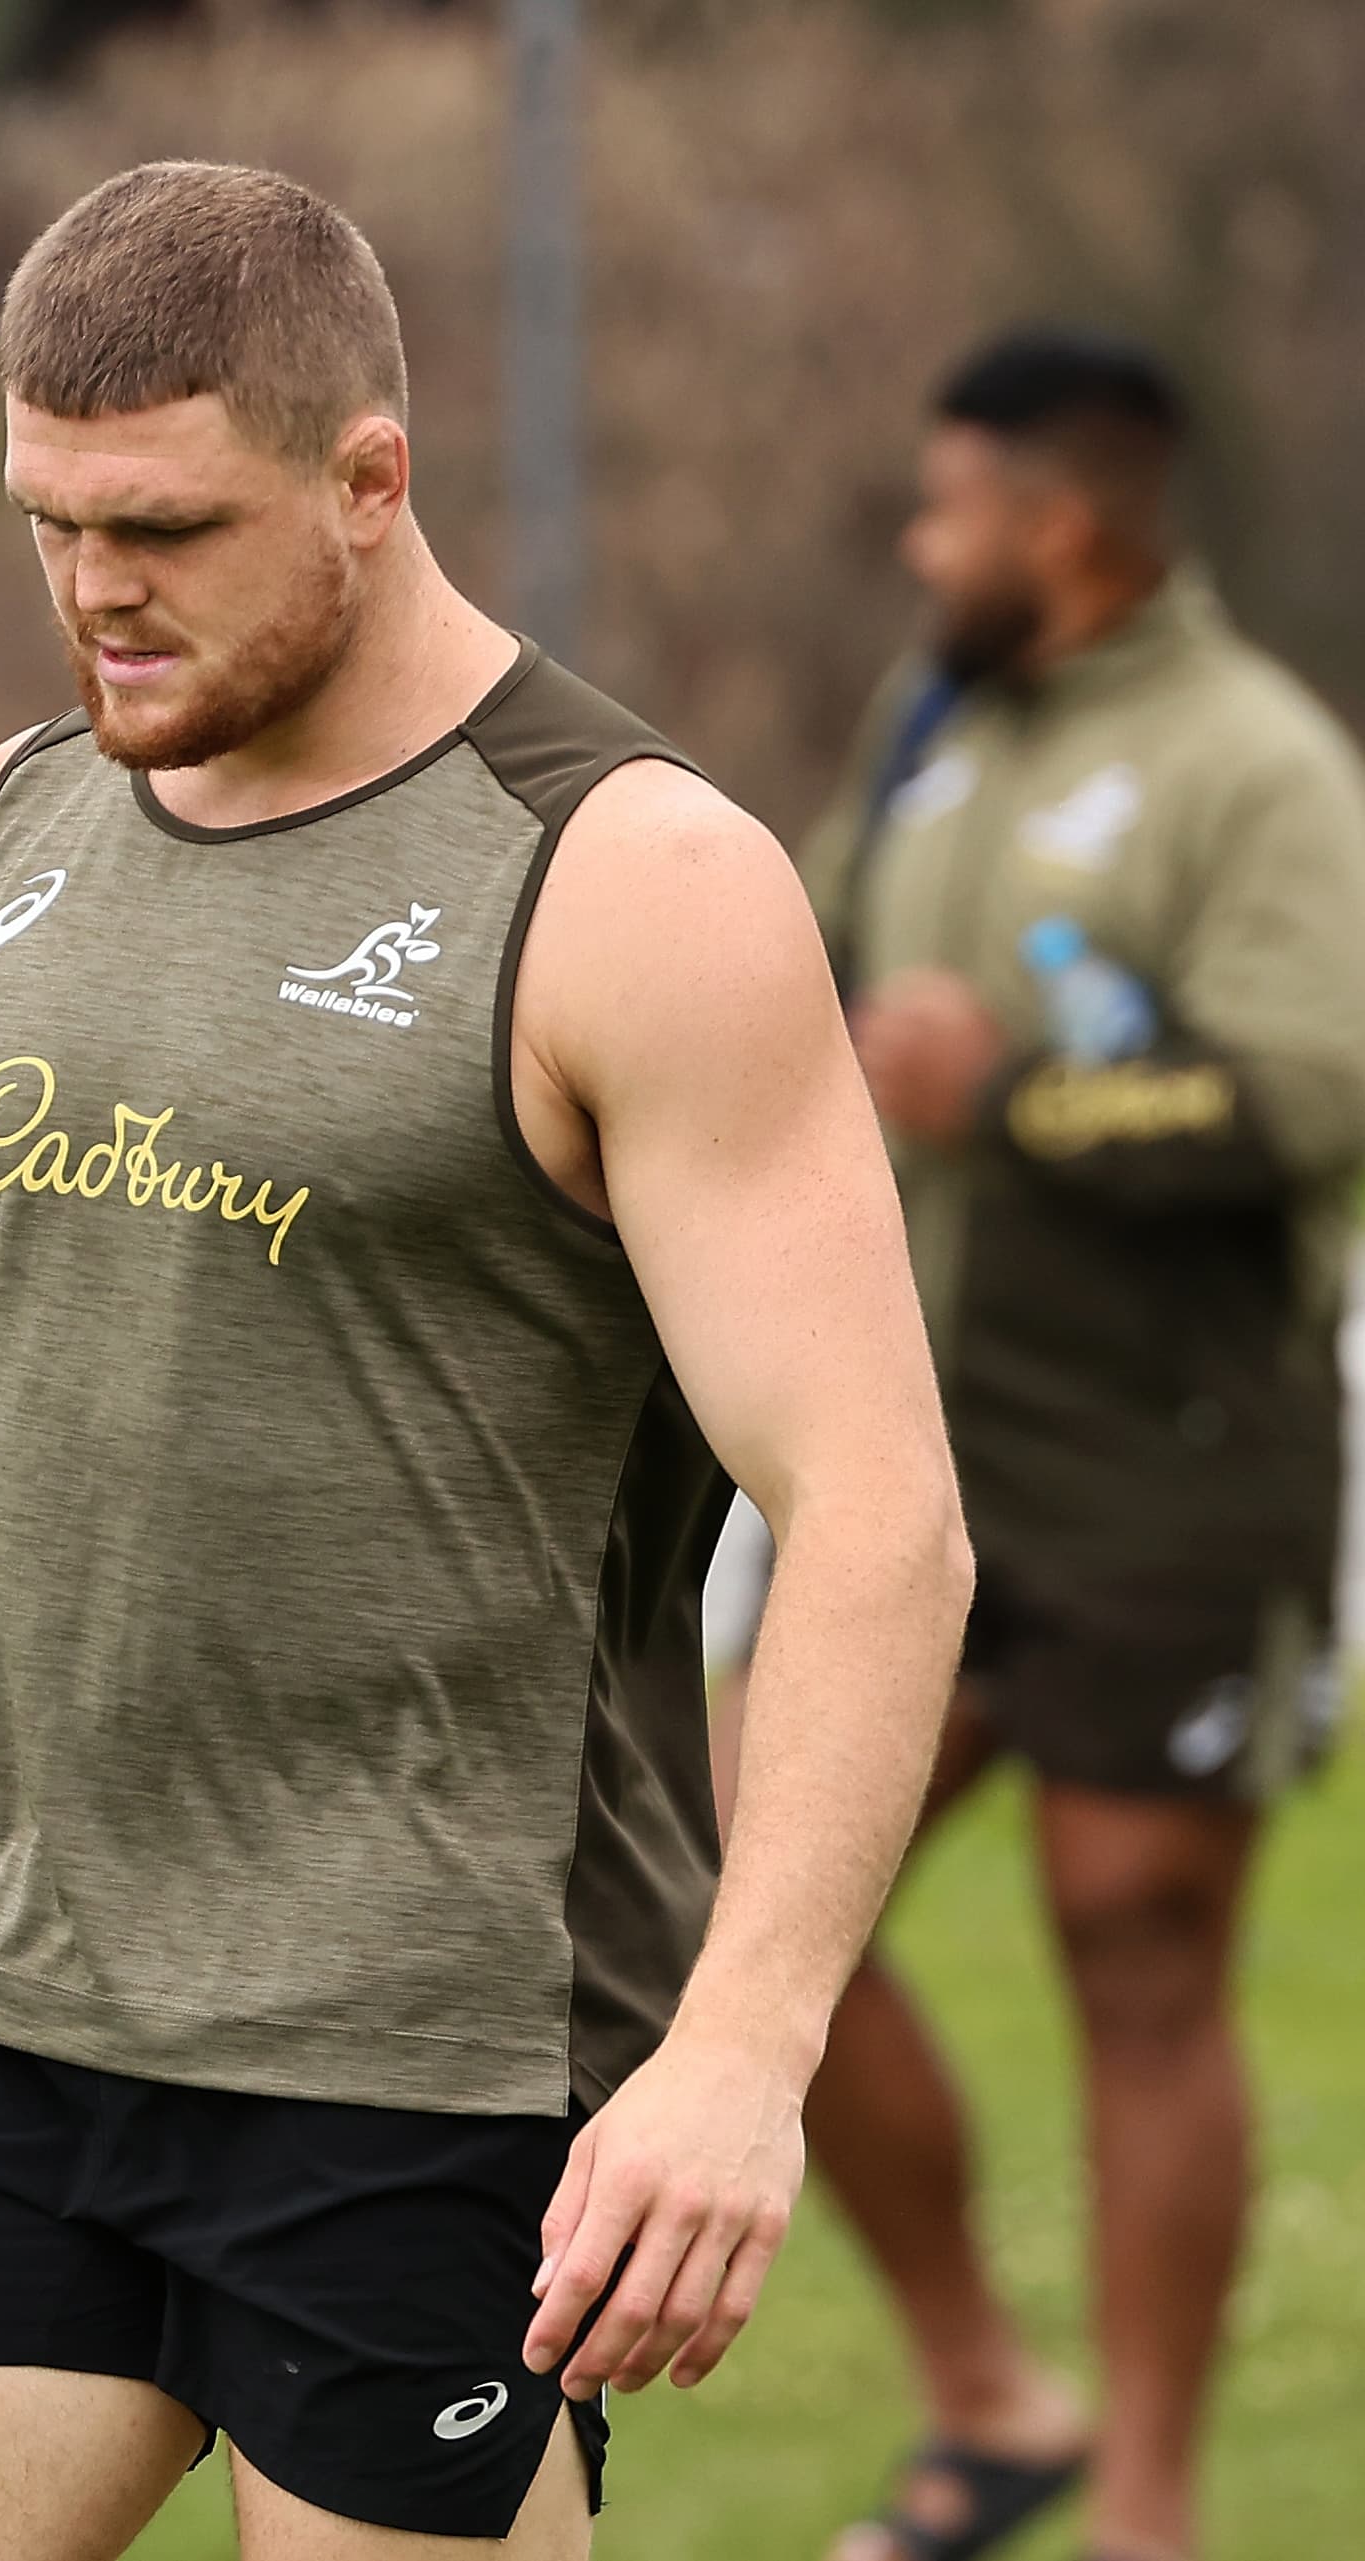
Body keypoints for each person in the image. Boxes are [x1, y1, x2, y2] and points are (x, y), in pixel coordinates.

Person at [0, 160, 972, 2559]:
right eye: (51, 521)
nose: (99, 588)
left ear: (368, 480)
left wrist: (746, 2053)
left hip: (416, 2062)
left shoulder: (629, 878)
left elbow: (879, 1517)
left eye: (169, 525)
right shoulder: (15, 819)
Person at [793, 329, 1365, 2561]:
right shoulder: (933, 727)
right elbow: (812, 939)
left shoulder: (1256, 765)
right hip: (916, 1448)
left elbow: (1320, 1090)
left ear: (1059, 524)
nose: (918, 550)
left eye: (945, 510)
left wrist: (1012, 1096)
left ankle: (1145, 2513)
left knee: (1138, 1955)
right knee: (739, 1890)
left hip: (1168, 1456)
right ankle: (984, 2396)